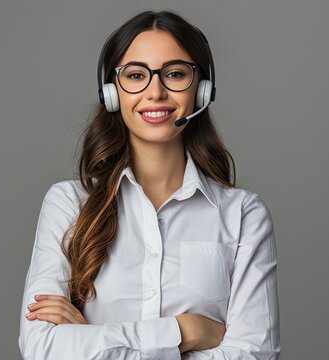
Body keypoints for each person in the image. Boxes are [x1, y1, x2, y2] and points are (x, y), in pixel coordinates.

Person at [18, 10, 280, 360]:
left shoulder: (244, 215)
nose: (155, 92)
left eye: (174, 74)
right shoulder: (68, 205)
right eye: (136, 75)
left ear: (201, 91)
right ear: (113, 93)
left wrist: (91, 339)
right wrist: (184, 331)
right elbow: (42, 348)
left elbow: (255, 355)